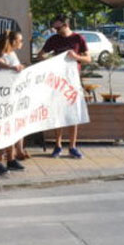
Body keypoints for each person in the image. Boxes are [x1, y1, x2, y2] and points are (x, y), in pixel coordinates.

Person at [37, 14, 91, 159]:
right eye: (54, 27)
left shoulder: (78, 38)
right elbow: (40, 55)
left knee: (73, 113)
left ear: (66, 25)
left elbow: (88, 58)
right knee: (57, 113)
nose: (55, 30)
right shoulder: (54, 39)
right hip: (57, 82)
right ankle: (58, 145)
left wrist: (77, 57)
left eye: (58, 27)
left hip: (72, 82)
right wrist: (51, 61)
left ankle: (72, 146)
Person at [0, 30, 27, 174]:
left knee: (10, 129)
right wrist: (12, 67)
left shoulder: (12, 54)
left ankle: (10, 159)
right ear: (13, 42)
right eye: (20, 40)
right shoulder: (3, 55)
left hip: (9, 100)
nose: (22, 43)